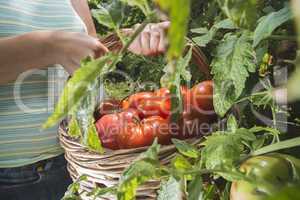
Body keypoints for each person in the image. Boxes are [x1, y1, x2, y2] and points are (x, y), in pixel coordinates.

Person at [0, 0, 169, 199]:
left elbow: (92, 52)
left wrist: (132, 39)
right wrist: (51, 46)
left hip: (89, 161)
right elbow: (63, 46)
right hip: (16, 178)